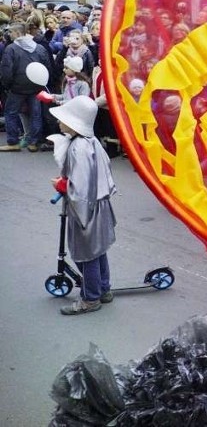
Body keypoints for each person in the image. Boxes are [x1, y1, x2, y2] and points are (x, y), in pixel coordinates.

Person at [49, 96, 118, 315]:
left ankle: (90, 298)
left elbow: (80, 187)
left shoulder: (78, 147)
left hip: (85, 211)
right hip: (100, 205)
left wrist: (62, 186)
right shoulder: (93, 141)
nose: (59, 123)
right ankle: (103, 289)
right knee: (99, 250)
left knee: (85, 255)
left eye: (64, 119)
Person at [0, 22, 54, 152]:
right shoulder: (39, 48)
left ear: (17, 33)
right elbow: (47, 67)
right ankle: (33, 142)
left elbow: (7, 70)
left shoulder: (11, 48)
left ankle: (13, 142)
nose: (9, 34)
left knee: (11, 113)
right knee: (36, 114)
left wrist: (7, 86)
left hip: (17, 88)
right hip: (36, 87)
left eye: (11, 32)